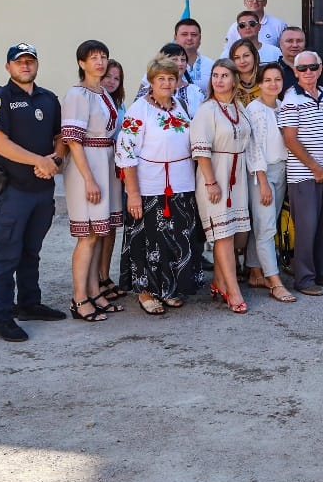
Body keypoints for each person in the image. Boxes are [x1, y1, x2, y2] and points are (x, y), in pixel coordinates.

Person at [0, 43, 69, 341]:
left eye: (30, 61)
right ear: (7, 67)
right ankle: (3, 318)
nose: (25, 66)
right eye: (19, 62)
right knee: (6, 254)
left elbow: (61, 136)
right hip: (13, 191)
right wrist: (39, 161)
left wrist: (56, 160)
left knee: (31, 252)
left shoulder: (49, 99)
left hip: (41, 190)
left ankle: (30, 303)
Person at [116, 55, 200, 317]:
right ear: (151, 81)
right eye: (161, 78)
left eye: (171, 78)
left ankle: (169, 288)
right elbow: (126, 151)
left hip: (181, 183)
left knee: (176, 237)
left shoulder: (179, 106)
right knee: (148, 239)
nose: (166, 83)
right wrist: (133, 193)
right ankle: (146, 291)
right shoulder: (139, 109)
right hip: (150, 185)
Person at [60, 40, 124, 322]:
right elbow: (73, 140)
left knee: (99, 233)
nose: (99, 62)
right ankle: (79, 297)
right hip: (88, 165)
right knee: (87, 235)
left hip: (105, 163)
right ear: (81, 63)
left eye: (103, 57)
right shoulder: (78, 94)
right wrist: (89, 179)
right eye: (93, 57)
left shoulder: (103, 93)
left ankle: (95, 290)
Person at [279, 50, 323, 295]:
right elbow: (290, 139)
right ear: (295, 72)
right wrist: (315, 168)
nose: (308, 72)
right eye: (303, 68)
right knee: (307, 227)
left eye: (312, 67)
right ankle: (304, 279)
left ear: (320, 68)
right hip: (304, 175)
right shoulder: (291, 98)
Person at [191, 60, 254, 313]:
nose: (218, 80)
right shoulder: (207, 109)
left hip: (236, 175)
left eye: (224, 75)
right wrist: (211, 181)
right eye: (215, 75)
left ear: (234, 80)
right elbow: (200, 149)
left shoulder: (239, 106)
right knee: (223, 235)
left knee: (236, 234)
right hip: (215, 173)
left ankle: (218, 281)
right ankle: (233, 291)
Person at [244, 62, 295, 302]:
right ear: (259, 84)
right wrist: (262, 181)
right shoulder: (255, 110)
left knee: (266, 224)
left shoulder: (282, 107)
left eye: (277, 79)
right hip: (262, 174)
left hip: (281, 170)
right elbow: (254, 149)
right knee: (266, 228)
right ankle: (275, 281)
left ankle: (255, 272)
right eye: (267, 80)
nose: (273, 84)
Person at [100, 58, 127, 298]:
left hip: (115, 168)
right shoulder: (93, 100)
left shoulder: (121, 105)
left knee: (110, 226)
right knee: (97, 225)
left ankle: (105, 275)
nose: (111, 81)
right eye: (107, 76)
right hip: (98, 165)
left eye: (116, 78)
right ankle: (94, 279)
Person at [222, 0, 288, 51]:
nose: (255, 1)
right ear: (245, 2)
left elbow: (286, 53)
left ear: (265, 2)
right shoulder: (235, 27)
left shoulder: (279, 26)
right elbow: (228, 53)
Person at [173, 18, 217, 94]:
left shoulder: (212, 66)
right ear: (175, 37)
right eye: (184, 34)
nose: (189, 38)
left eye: (194, 35)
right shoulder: (163, 64)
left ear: (200, 38)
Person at [229, 37, 263, 105]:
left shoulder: (266, 80)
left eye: (246, 55)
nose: (242, 61)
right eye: (237, 58)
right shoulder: (229, 84)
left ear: (254, 56)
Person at [277, 26, 306, 94]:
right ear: (280, 44)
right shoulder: (273, 71)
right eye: (289, 41)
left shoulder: (313, 70)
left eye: (299, 41)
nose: (295, 45)